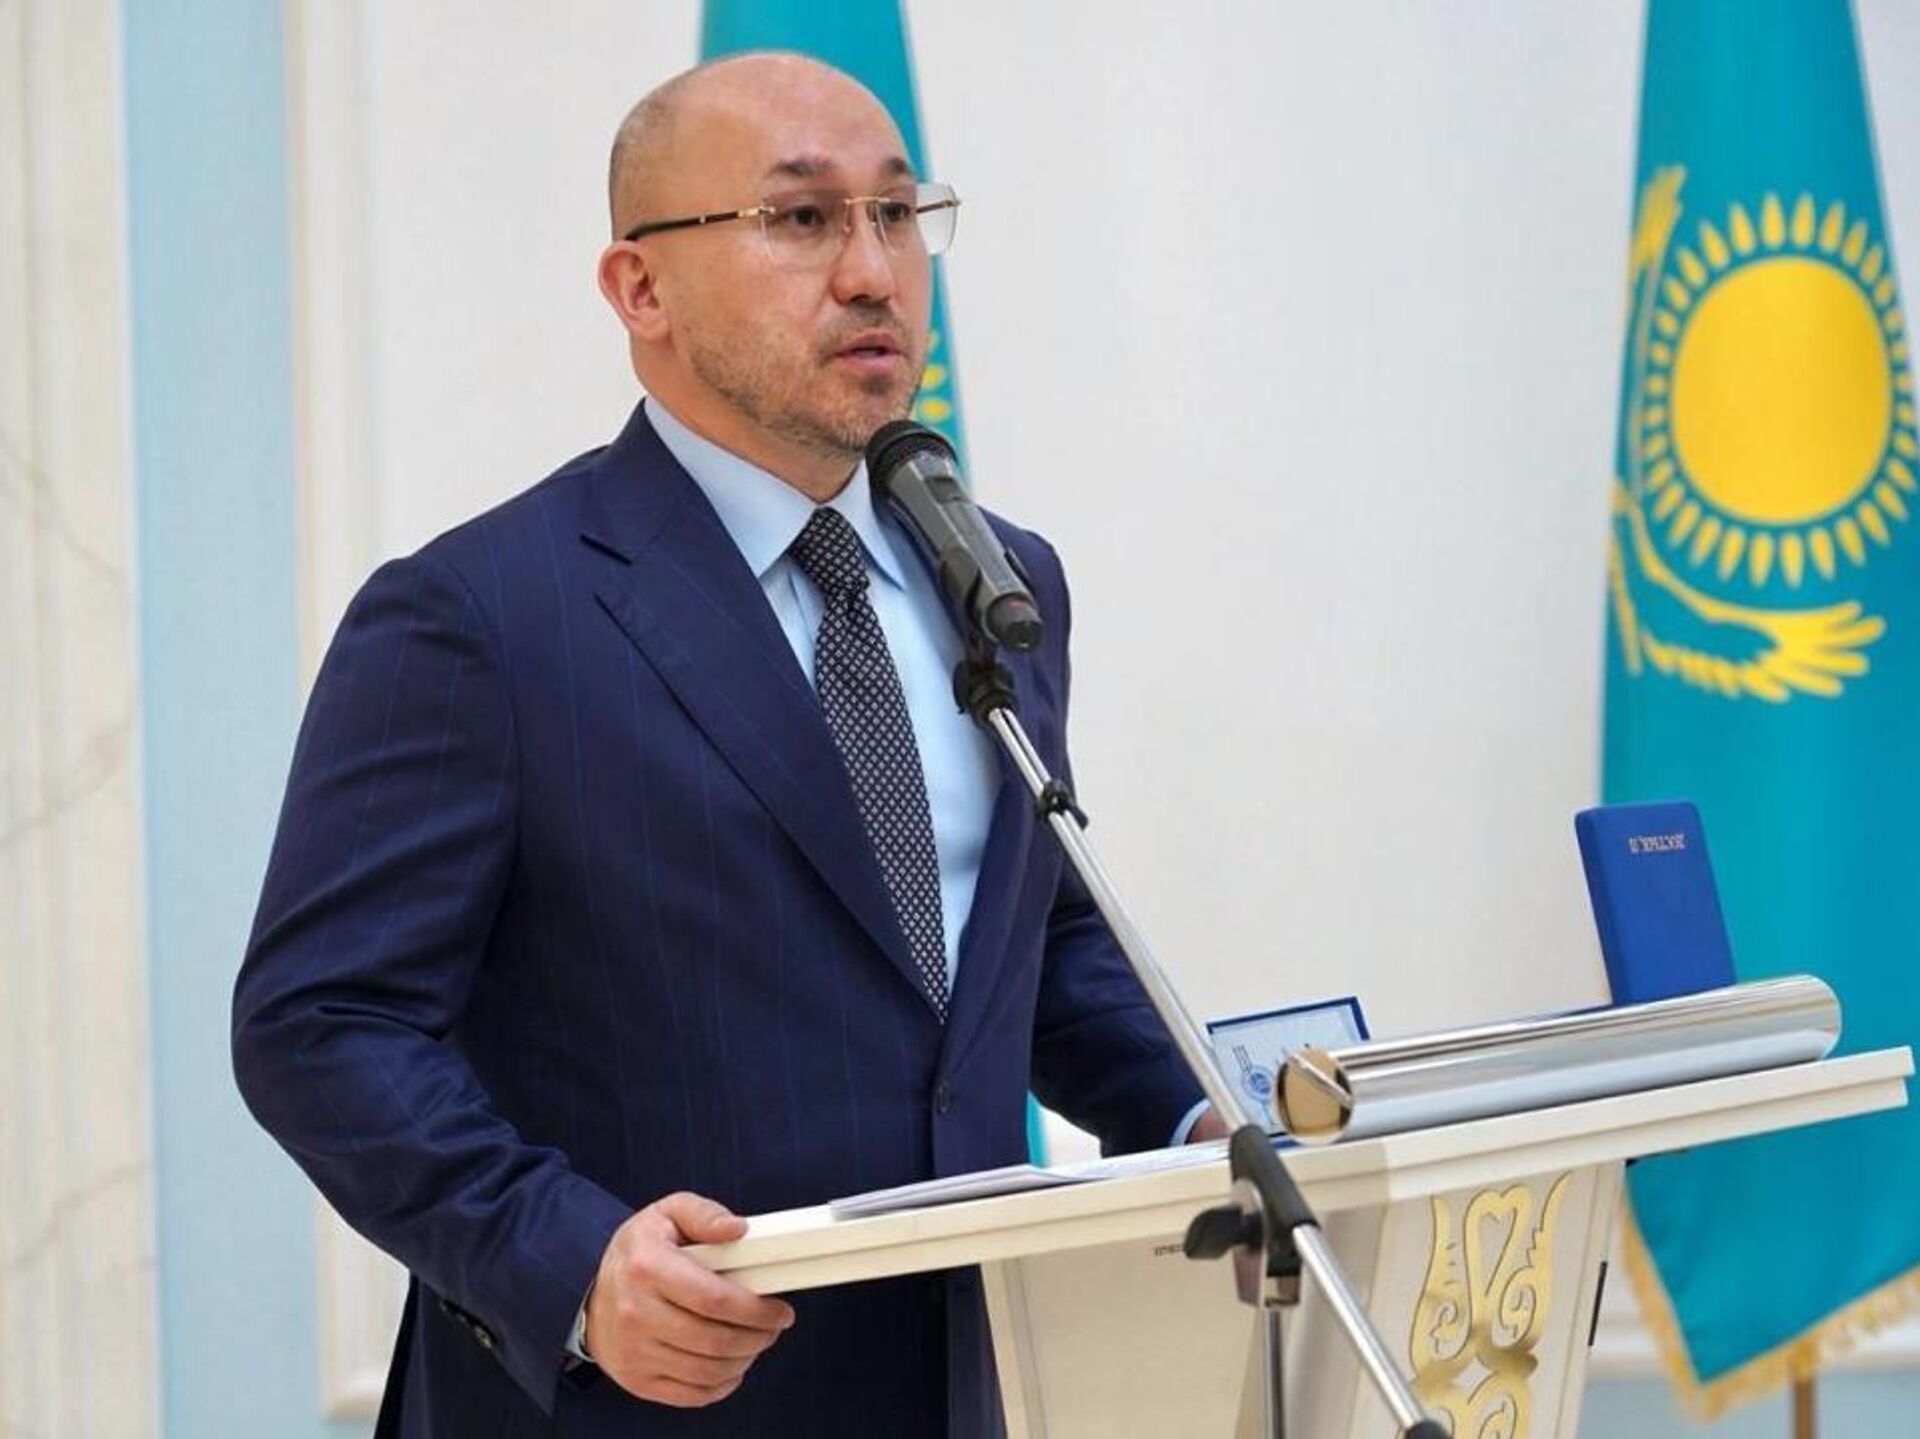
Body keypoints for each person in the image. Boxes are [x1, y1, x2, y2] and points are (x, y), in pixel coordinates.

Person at [233, 51, 1219, 1439]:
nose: (874, 273)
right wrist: (568, 1258)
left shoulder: (1000, 583)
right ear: (640, 288)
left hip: (967, 1386)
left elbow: (1021, 950)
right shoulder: (482, 617)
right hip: (640, 1400)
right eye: (803, 218)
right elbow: (322, 1024)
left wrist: (1202, 1119)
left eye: (897, 214)